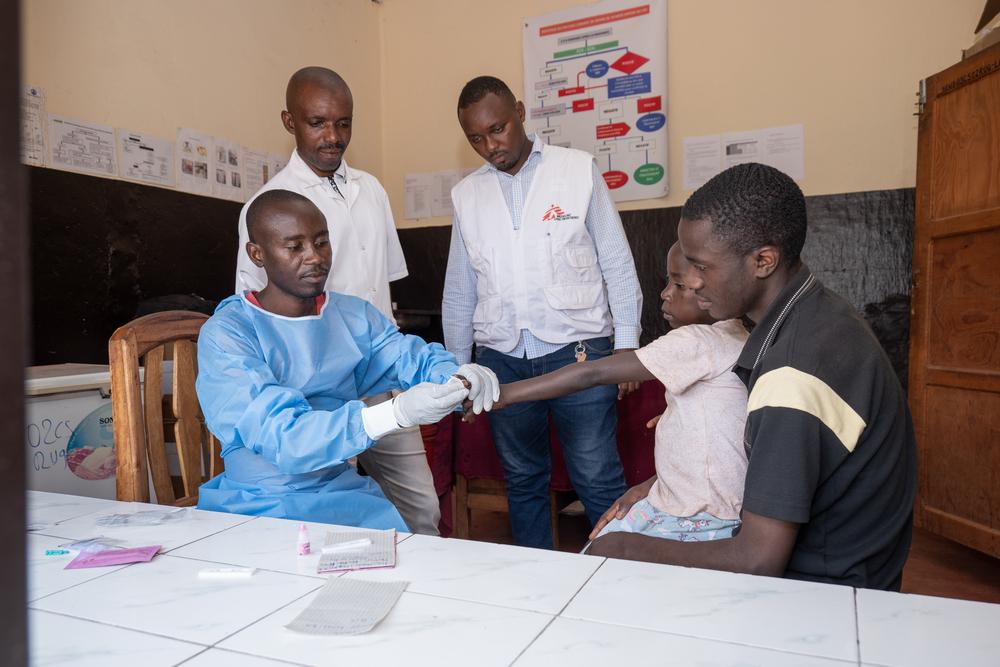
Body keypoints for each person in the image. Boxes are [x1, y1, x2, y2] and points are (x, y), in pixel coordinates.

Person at [589, 163, 917, 591]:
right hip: (856, 566)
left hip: (824, 591)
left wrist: (624, 547)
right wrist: (657, 483)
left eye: (701, 266)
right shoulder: (818, 313)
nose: (691, 282)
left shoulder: (792, 373)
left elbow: (756, 560)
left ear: (763, 261)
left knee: (605, 571)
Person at [233, 66, 478, 535]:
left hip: (380, 374)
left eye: (343, 123)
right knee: (328, 519)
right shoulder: (268, 205)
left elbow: (381, 289)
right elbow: (257, 310)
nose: (333, 136)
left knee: (420, 507)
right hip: (313, 394)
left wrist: (433, 372)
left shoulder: (371, 190)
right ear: (289, 121)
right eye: (317, 123)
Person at [198, 190, 497, 530]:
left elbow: (408, 357)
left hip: (339, 489)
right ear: (257, 254)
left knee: (405, 543)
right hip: (262, 501)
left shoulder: (350, 315)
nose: (314, 257)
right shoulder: (230, 332)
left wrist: (457, 377)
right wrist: (395, 412)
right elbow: (285, 438)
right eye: (294, 247)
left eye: (321, 242)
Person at [443, 75, 643, 549]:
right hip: (502, 360)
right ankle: (538, 578)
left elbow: (616, 261)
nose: (490, 146)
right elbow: (459, 290)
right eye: (476, 138)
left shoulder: (576, 170)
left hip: (580, 353)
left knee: (596, 474)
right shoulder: (466, 195)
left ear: (519, 112)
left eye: (498, 129)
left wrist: (627, 344)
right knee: (522, 479)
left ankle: (624, 570)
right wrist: (457, 370)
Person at [494, 242, 750, 545]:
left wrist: (504, 393)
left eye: (679, 285)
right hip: (707, 502)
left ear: (713, 290)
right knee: (608, 535)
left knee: (605, 549)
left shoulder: (696, 340)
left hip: (700, 514)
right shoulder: (738, 334)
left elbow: (591, 373)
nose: (665, 293)